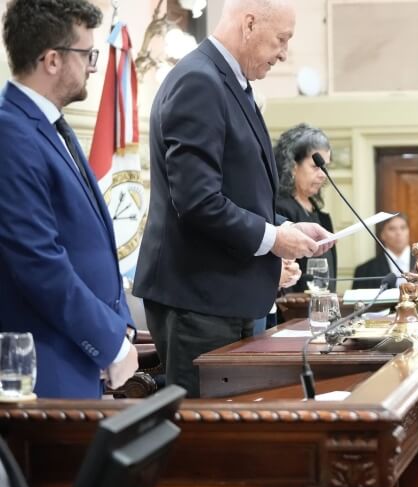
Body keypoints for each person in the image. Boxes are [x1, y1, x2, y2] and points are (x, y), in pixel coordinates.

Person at [133, 0, 333, 397]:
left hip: (224, 295)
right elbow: (197, 201)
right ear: (249, 23)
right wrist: (275, 239)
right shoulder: (200, 81)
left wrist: (283, 225)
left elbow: (237, 193)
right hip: (200, 299)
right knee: (207, 441)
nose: (284, 53)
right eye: (281, 39)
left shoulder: (231, 84)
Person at [0, 0, 138, 398]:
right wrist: (109, 341)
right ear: (52, 60)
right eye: (86, 54)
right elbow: (39, 263)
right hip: (46, 367)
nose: (93, 65)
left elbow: (92, 243)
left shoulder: (50, 124)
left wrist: (120, 323)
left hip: (78, 356)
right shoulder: (12, 134)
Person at [275, 123, 337, 293]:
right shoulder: (280, 210)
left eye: (325, 167)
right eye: (316, 166)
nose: (323, 174)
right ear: (293, 166)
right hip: (293, 313)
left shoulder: (318, 212)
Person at [353, 214, 418, 290]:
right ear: (382, 235)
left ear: (408, 232)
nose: (398, 233)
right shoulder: (364, 271)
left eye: (403, 228)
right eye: (392, 229)